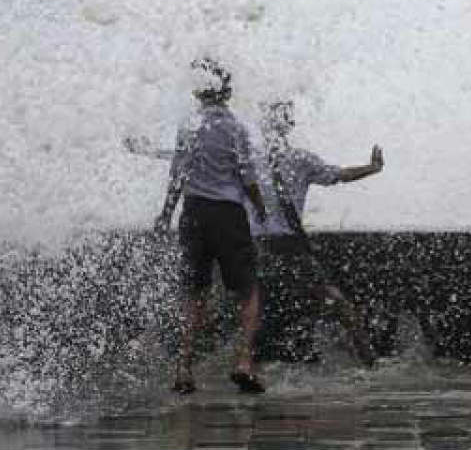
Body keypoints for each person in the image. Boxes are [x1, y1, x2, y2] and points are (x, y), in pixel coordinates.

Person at [155, 57, 268, 395]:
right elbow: (247, 177)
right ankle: (245, 361)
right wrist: (260, 208)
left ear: (198, 91)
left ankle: (184, 367)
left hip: (193, 213)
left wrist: (165, 213)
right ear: (227, 91)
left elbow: (178, 174)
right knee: (248, 288)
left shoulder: (189, 125)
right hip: (227, 214)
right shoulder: (235, 128)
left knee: (195, 292)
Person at [255, 99, 385, 366]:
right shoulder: (253, 157)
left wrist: (371, 168)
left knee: (252, 308)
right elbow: (337, 175)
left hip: (269, 247)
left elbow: (337, 174)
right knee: (337, 304)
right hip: (276, 246)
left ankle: (368, 360)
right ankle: (368, 360)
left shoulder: (289, 159)